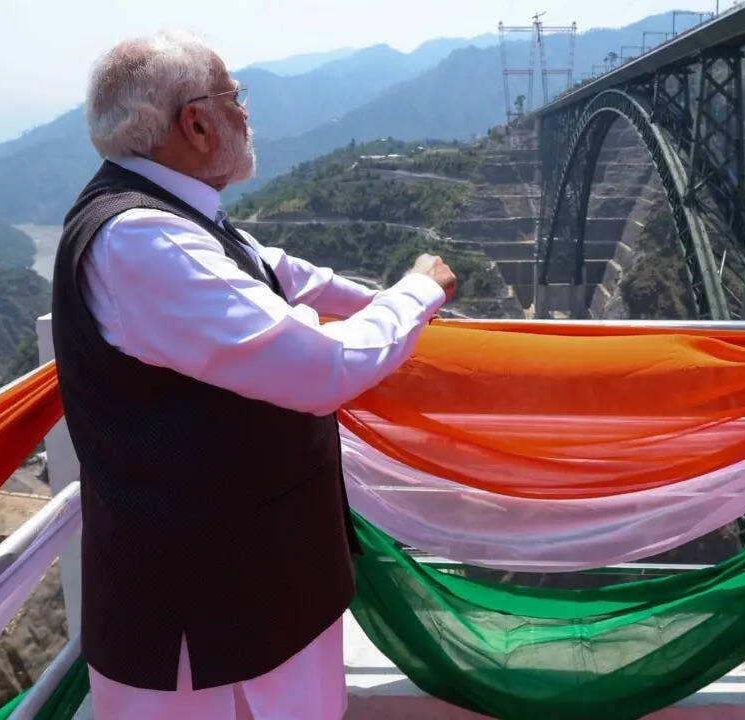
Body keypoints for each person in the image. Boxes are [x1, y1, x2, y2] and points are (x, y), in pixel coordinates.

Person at [50, 31, 456, 719]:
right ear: (196, 124)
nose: (246, 112)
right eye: (235, 96)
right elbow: (325, 368)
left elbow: (279, 270)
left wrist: (381, 303)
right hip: (207, 617)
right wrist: (419, 290)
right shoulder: (141, 240)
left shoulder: (173, 215)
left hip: (254, 592)